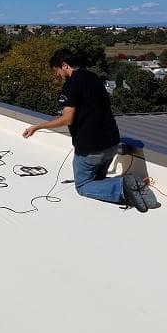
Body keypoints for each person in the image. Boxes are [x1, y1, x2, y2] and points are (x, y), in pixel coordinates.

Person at [22, 50, 151, 212]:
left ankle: (122, 186)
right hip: (111, 144)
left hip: (90, 149)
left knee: (83, 186)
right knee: (98, 180)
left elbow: (66, 119)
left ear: (64, 65)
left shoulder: (71, 85)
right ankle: (131, 188)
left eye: (57, 71)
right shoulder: (93, 77)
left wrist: (37, 126)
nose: (57, 75)